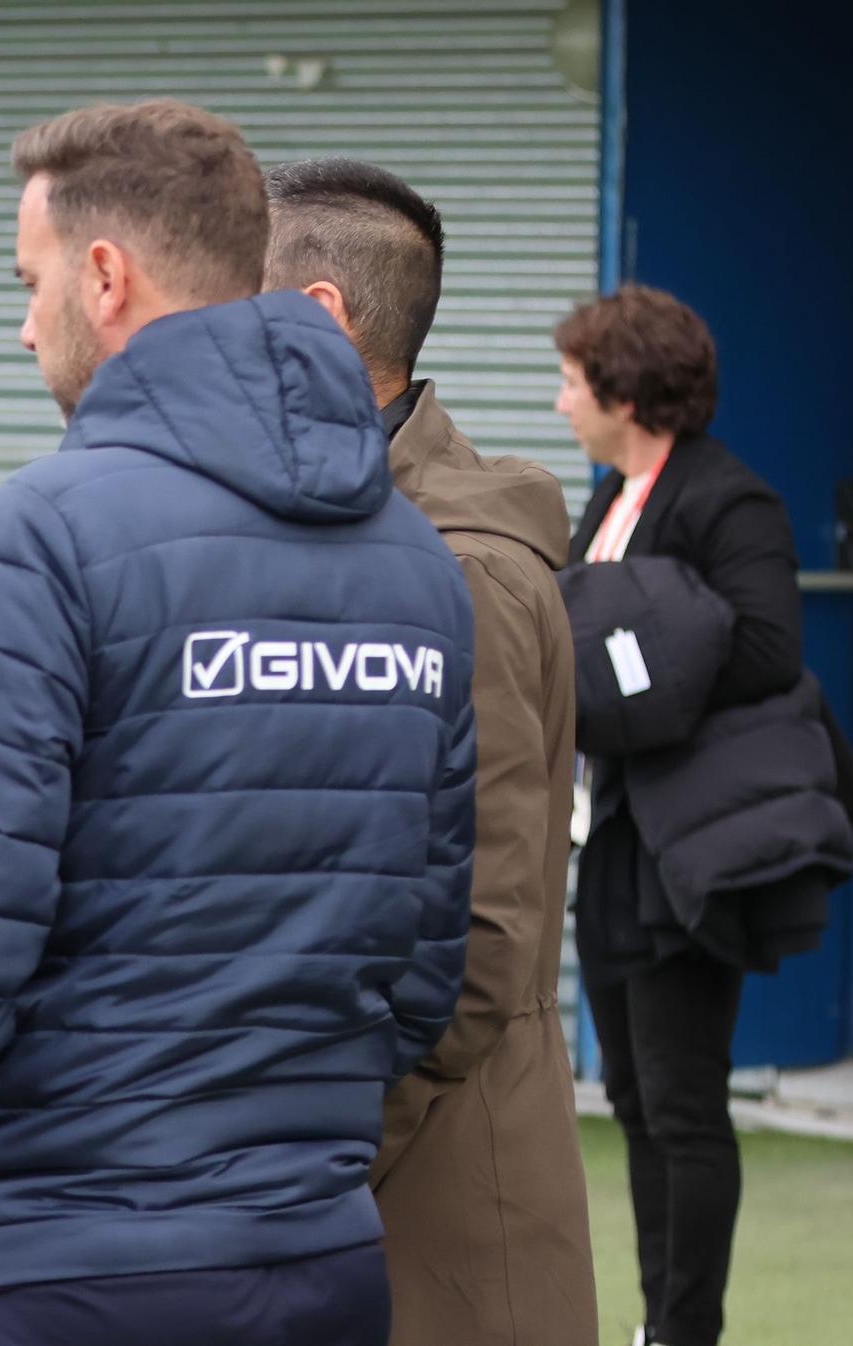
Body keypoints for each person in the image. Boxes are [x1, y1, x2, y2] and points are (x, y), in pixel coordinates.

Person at [0, 99, 477, 1346]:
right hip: (313, 1254)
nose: (24, 326)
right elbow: (420, 961)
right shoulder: (413, 562)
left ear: (105, 277)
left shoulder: (44, 533)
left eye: (29, 284)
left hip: (50, 1259)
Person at [264, 157, 597, 1346]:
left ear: (311, 320)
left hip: (443, 1234)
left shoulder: (461, 572)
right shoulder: (326, 529)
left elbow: (479, 946)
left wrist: (288, 1157)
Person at [556, 284, 847, 1346]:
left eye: (572, 382)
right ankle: (656, 1321)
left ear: (623, 392)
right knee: (632, 1099)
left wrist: (642, 649)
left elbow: (767, 649)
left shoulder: (729, 500)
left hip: (689, 845)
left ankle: (687, 1330)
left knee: (683, 1105)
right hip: (613, 839)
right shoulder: (610, 494)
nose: (558, 402)